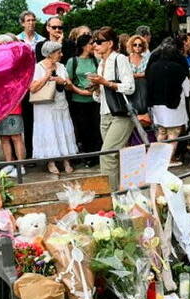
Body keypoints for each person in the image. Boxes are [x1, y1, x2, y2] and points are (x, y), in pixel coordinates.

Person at [89, 27, 136, 189]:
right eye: (94, 42)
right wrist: (95, 87)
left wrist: (106, 83)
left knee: (107, 155)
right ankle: (122, 195)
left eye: (99, 42)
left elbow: (130, 87)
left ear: (109, 43)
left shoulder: (120, 59)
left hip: (121, 114)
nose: (95, 45)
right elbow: (98, 98)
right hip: (105, 114)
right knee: (116, 156)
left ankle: (111, 196)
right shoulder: (101, 63)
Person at [30, 41, 76, 175]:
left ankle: (66, 160)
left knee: (62, 128)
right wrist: (47, 76)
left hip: (60, 104)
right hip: (44, 106)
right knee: (49, 130)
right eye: (58, 52)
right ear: (49, 54)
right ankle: (51, 161)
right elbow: (32, 88)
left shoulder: (61, 66)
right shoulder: (38, 67)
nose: (61, 55)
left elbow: (69, 85)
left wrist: (64, 81)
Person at [146, 37, 190, 166]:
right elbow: (187, 90)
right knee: (173, 134)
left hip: (157, 105)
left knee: (161, 132)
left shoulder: (153, 66)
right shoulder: (179, 68)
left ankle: (157, 159)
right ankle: (168, 160)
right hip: (174, 105)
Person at [0, 35, 25, 177]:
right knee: (4, 137)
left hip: (13, 105)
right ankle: (9, 163)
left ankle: (20, 165)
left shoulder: (15, 61)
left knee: (16, 136)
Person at [66, 34, 102, 167]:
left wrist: (94, 87)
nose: (94, 45)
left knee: (96, 128)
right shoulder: (73, 61)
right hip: (79, 100)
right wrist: (80, 91)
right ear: (84, 45)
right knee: (83, 129)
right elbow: (68, 81)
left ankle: (98, 155)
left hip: (94, 99)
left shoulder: (95, 60)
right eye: (91, 43)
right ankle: (88, 157)